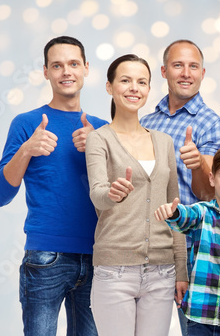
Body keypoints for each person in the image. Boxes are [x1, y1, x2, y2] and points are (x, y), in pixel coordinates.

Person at [0, 35, 107, 336]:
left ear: (86, 68)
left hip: (99, 257)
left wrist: (98, 147)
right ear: (45, 72)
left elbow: (120, 197)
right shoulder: (27, 123)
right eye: (57, 65)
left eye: (73, 64)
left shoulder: (102, 129)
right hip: (46, 258)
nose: (66, 72)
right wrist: (27, 149)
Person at [85, 54, 188, 335]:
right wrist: (112, 194)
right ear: (109, 87)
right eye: (125, 80)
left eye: (142, 82)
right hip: (114, 271)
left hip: (162, 272)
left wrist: (181, 270)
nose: (134, 88)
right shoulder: (99, 138)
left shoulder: (164, 142)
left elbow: (175, 211)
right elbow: (97, 194)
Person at [141, 39, 220, 335]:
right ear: (164, 71)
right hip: (147, 248)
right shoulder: (146, 122)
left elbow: (213, 195)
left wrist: (199, 165)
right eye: (178, 65)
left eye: (193, 66)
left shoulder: (212, 126)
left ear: (203, 73)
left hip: (193, 252)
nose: (186, 73)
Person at [154, 145, 220, 335]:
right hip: (201, 321)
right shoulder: (202, 213)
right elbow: (184, 216)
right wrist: (173, 212)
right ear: (212, 179)